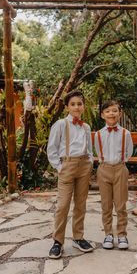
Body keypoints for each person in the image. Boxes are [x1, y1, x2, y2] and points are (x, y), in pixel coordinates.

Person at [47, 90, 94, 259]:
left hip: (83, 166)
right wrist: (59, 167)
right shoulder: (60, 124)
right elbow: (52, 148)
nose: (76, 107)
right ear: (67, 107)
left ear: (83, 106)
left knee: (80, 203)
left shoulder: (86, 127)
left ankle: (78, 237)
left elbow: (89, 149)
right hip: (67, 165)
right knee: (63, 205)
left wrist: (90, 162)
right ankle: (57, 241)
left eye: (79, 104)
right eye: (73, 104)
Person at [94, 100, 133, 250]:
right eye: (108, 111)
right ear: (102, 115)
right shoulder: (98, 134)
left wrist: (120, 163)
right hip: (103, 169)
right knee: (106, 204)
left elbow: (128, 152)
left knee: (121, 204)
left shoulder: (125, 133)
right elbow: (97, 150)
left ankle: (122, 234)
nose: (111, 113)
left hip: (120, 169)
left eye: (114, 110)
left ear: (120, 114)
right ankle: (108, 234)